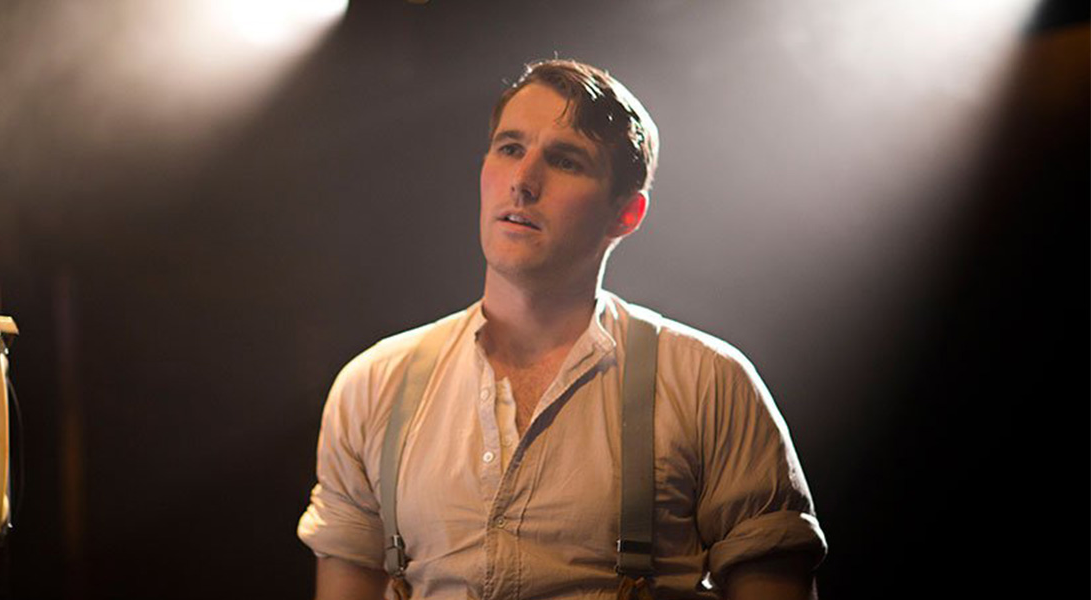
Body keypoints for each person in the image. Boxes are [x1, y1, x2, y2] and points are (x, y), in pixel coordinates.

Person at [298, 59, 826, 600]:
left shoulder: (710, 383)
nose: (523, 182)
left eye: (566, 160)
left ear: (626, 213)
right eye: (509, 148)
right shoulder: (373, 384)